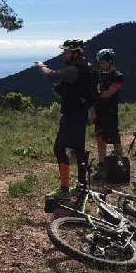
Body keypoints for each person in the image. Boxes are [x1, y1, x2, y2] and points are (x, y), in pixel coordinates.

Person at [34, 39, 97, 200]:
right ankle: (82, 186)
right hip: (80, 114)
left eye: (66, 52)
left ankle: (64, 189)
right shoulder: (86, 67)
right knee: (78, 150)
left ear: (76, 53)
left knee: (59, 149)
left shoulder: (74, 69)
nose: (63, 54)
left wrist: (42, 66)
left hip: (72, 116)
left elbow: (51, 75)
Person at [92, 48, 125, 180]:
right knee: (100, 140)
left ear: (110, 61)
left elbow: (108, 94)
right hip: (100, 112)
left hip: (110, 112)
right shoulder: (99, 74)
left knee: (115, 139)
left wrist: (94, 93)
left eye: (104, 63)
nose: (101, 65)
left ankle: (121, 165)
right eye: (100, 63)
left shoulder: (118, 76)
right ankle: (102, 165)